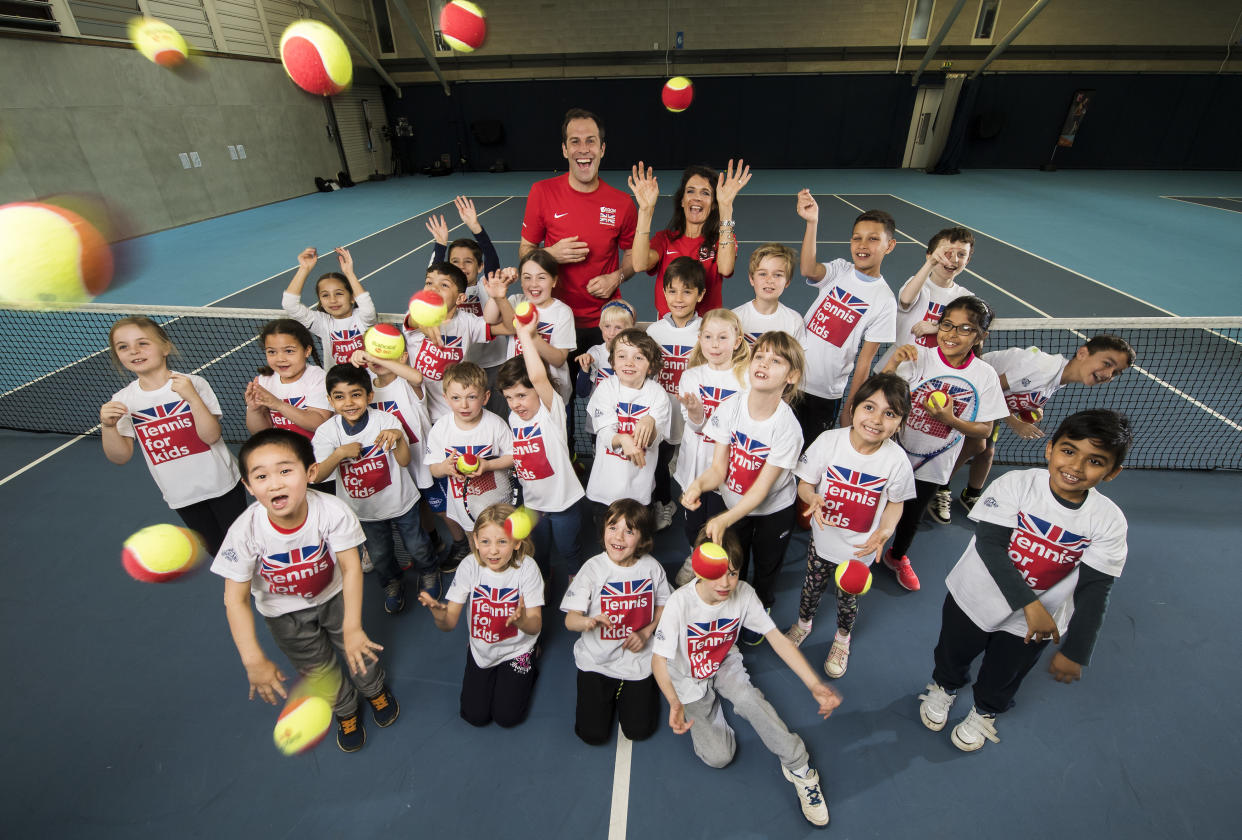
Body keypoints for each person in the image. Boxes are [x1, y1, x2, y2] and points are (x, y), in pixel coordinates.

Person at [917, 409, 1132, 753]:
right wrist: (1030, 604)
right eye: (1068, 451)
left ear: (1112, 472)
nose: (1076, 467)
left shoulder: (1109, 522)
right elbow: (991, 546)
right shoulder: (1016, 484)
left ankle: (984, 711)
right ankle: (944, 687)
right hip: (974, 598)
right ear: (1050, 449)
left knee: (1005, 674)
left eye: (1094, 460)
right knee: (952, 652)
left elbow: (1096, 588)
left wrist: (1077, 649)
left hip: (1033, 624)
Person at [211, 428, 398, 753]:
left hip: (334, 598)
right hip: (284, 616)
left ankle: (374, 689)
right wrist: (252, 658)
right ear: (249, 486)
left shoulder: (332, 511)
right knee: (316, 667)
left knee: (359, 650)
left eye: (286, 470)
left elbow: (352, 567)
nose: (275, 483)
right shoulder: (244, 532)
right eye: (261, 476)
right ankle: (345, 709)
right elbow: (235, 599)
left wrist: (352, 626)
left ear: (310, 473)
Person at [651, 530, 840, 828]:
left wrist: (814, 684)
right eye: (717, 575)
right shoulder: (679, 603)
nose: (726, 583)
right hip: (686, 675)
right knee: (719, 757)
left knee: (749, 699)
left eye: (733, 573)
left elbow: (777, 639)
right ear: (700, 571)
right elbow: (658, 659)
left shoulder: (744, 594)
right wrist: (674, 701)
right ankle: (710, 711)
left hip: (723, 661)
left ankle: (800, 767)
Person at [786, 373, 916, 678]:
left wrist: (884, 532)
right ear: (854, 407)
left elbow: (896, 503)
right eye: (869, 408)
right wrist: (811, 498)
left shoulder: (896, 462)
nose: (876, 419)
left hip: (860, 551)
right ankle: (803, 625)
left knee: (848, 600)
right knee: (812, 587)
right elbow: (806, 482)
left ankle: (842, 640)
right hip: (823, 541)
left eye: (890, 414)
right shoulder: (829, 442)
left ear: (900, 423)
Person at [680, 331, 805, 643]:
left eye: (775, 361)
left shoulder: (787, 428)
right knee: (737, 560)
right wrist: (697, 485)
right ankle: (735, 606)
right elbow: (718, 469)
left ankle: (761, 606)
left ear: (791, 376)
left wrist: (723, 518)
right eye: (759, 356)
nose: (763, 364)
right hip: (734, 504)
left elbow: (762, 492)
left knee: (765, 566)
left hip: (772, 512)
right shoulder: (731, 406)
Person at [880, 296, 1009, 592]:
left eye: (964, 329)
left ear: (980, 337)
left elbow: (984, 429)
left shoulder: (984, 375)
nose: (952, 334)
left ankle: (896, 556)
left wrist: (950, 420)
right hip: (892, 452)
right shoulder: (919, 356)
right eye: (947, 325)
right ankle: (859, 549)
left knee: (911, 516)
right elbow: (880, 394)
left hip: (935, 463)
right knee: (874, 505)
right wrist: (893, 362)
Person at [100, 316, 245, 555]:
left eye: (143, 343)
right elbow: (119, 456)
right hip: (181, 494)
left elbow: (211, 436)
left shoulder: (193, 383)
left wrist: (192, 398)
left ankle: (269, 588)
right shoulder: (123, 400)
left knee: (246, 546)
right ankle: (242, 590)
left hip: (222, 485)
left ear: (165, 347)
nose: (134, 351)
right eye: (123, 347)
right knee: (219, 552)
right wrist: (107, 426)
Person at [949, 335, 1134, 516]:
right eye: (1107, 364)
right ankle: (940, 487)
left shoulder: (1060, 376)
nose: (1108, 375)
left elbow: (1017, 392)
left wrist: (1027, 407)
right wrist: (1016, 423)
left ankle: (971, 495)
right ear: (1083, 353)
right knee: (975, 445)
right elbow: (990, 389)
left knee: (987, 452)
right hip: (965, 388)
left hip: (987, 401)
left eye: (1116, 372)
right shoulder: (1042, 369)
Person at [311, 364, 435, 615]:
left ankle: (429, 571)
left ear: (369, 396)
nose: (348, 403)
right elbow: (319, 476)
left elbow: (404, 461)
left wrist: (398, 437)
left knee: (417, 545)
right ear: (329, 400)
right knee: (379, 555)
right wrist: (339, 454)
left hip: (402, 502)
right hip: (364, 511)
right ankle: (391, 583)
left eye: (356, 394)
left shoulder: (386, 421)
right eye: (339, 396)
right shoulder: (326, 433)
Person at [874, 227, 975, 524]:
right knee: (883, 435)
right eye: (947, 252)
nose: (953, 259)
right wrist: (930, 264)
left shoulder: (965, 297)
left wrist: (938, 326)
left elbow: (978, 327)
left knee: (915, 443)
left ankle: (908, 503)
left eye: (961, 254)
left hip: (931, 384)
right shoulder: (919, 284)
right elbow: (906, 300)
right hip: (896, 374)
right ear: (932, 254)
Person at [519, 108, 638, 354]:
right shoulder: (542, 192)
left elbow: (633, 256)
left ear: (602, 148)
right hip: (553, 320)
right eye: (575, 141)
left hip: (605, 323)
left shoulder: (622, 203)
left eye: (590, 141)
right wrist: (549, 254)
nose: (583, 149)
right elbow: (525, 252)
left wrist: (617, 277)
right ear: (564, 149)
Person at [419, 503, 544, 728]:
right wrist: (439, 614)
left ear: (516, 543)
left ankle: (532, 657)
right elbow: (449, 623)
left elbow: (535, 625)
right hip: (481, 650)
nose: (493, 550)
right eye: (485, 541)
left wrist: (522, 621)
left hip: (518, 649)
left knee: (508, 718)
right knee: (475, 716)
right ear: (475, 541)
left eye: (502, 542)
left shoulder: (528, 568)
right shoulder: (469, 566)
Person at [561, 499, 670, 745]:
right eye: (613, 527)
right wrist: (587, 622)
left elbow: (666, 604)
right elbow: (570, 620)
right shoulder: (592, 569)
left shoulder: (652, 568)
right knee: (592, 734)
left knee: (639, 731)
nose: (618, 536)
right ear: (603, 531)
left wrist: (646, 632)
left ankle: (638, 689)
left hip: (638, 659)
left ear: (642, 539)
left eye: (629, 531)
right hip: (596, 661)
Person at [796, 191, 898, 443]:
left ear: (890, 245)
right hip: (791, 379)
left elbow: (864, 364)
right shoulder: (840, 269)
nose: (863, 245)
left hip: (825, 392)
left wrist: (851, 407)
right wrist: (812, 222)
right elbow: (809, 269)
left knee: (808, 453)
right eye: (857, 238)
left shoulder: (884, 300)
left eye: (873, 239)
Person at [497, 315, 586, 583]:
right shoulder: (514, 418)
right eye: (509, 397)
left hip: (563, 504)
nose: (515, 404)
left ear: (538, 391)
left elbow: (536, 375)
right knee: (538, 552)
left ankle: (576, 582)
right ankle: (542, 583)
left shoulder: (550, 411)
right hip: (533, 504)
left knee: (569, 549)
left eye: (522, 395)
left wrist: (524, 333)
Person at [671, 308, 750, 586]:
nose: (715, 345)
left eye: (722, 337)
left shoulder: (746, 378)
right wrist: (694, 412)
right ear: (700, 339)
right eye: (708, 337)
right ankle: (694, 557)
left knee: (720, 523)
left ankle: (718, 564)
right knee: (693, 522)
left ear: (737, 341)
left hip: (727, 469)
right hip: (695, 466)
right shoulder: (692, 376)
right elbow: (695, 427)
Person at [628, 160, 750, 317]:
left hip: (707, 330)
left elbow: (726, 268)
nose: (697, 198)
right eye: (690, 191)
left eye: (705, 193)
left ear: (713, 204)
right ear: (682, 200)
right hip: (669, 329)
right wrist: (645, 210)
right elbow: (639, 264)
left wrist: (725, 207)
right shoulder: (665, 239)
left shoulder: (721, 240)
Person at [426, 196, 505, 414]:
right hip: (466, 366)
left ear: (479, 266)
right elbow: (435, 273)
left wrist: (476, 228)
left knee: (497, 415)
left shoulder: (484, 285)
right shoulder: (446, 291)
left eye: (468, 261)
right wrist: (440, 244)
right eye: (455, 262)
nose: (461, 266)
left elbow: (493, 263)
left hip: (494, 363)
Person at [646, 257, 707, 531]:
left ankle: (695, 505)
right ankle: (664, 503)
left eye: (687, 291)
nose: (678, 298)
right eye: (672, 290)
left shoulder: (707, 331)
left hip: (695, 418)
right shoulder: (654, 331)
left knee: (693, 466)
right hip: (664, 415)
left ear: (700, 294)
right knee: (658, 465)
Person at [584, 329, 670, 523]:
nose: (629, 363)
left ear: (650, 366)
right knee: (607, 536)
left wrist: (651, 421)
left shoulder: (658, 394)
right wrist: (623, 439)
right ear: (613, 362)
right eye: (622, 356)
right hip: (603, 490)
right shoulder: (605, 388)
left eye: (639, 357)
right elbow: (605, 434)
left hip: (640, 490)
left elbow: (655, 439)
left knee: (637, 540)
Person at [425, 362, 514, 546]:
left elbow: (513, 457)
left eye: (471, 397)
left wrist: (488, 465)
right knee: (475, 543)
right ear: (446, 399)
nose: (464, 405)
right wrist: (444, 467)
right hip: (463, 506)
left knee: (503, 543)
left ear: (485, 397)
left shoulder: (495, 424)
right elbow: (434, 469)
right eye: (456, 398)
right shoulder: (441, 428)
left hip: (497, 503)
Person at [401, 261, 491, 423]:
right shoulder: (416, 313)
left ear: (460, 298)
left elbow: (503, 327)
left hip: (450, 413)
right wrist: (424, 325)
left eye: (443, 285)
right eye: (429, 283)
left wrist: (498, 298)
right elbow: (414, 320)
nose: (433, 288)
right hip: (417, 411)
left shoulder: (467, 322)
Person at [482, 252, 577, 401]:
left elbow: (559, 359)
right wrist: (498, 294)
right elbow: (489, 318)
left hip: (551, 394)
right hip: (517, 391)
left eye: (541, 277)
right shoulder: (515, 301)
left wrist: (532, 337)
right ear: (520, 282)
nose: (533, 284)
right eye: (527, 277)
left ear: (554, 281)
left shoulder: (562, 312)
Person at [281, 246, 377, 366]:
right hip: (337, 383)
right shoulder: (322, 323)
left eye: (339, 293)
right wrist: (304, 268)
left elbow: (367, 308)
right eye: (325, 295)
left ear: (352, 297)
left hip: (366, 381)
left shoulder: (362, 319)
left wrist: (349, 273)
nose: (333, 300)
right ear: (320, 300)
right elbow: (290, 304)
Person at [244, 319, 332, 441]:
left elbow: (318, 423)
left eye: (289, 351)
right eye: (272, 352)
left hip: (316, 452)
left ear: (307, 351)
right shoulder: (264, 381)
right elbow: (260, 432)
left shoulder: (318, 378)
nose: (280, 358)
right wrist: (254, 410)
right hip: (284, 451)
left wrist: (279, 405)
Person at [731, 243, 808, 347]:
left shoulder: (794, 321)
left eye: (777, 275)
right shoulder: (734, 318)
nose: (769, 280)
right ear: (751, 279)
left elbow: (799, 361)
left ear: (787, 282)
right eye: (763, 274)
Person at [574, 298, 636, 394]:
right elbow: (582, 393)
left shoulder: (636, 355)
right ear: (601, 326)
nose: (611, 333)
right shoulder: (594, 353)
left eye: (618, 327)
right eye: (607, 326)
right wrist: (585, 369)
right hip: (597, 408)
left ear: (628, 329)